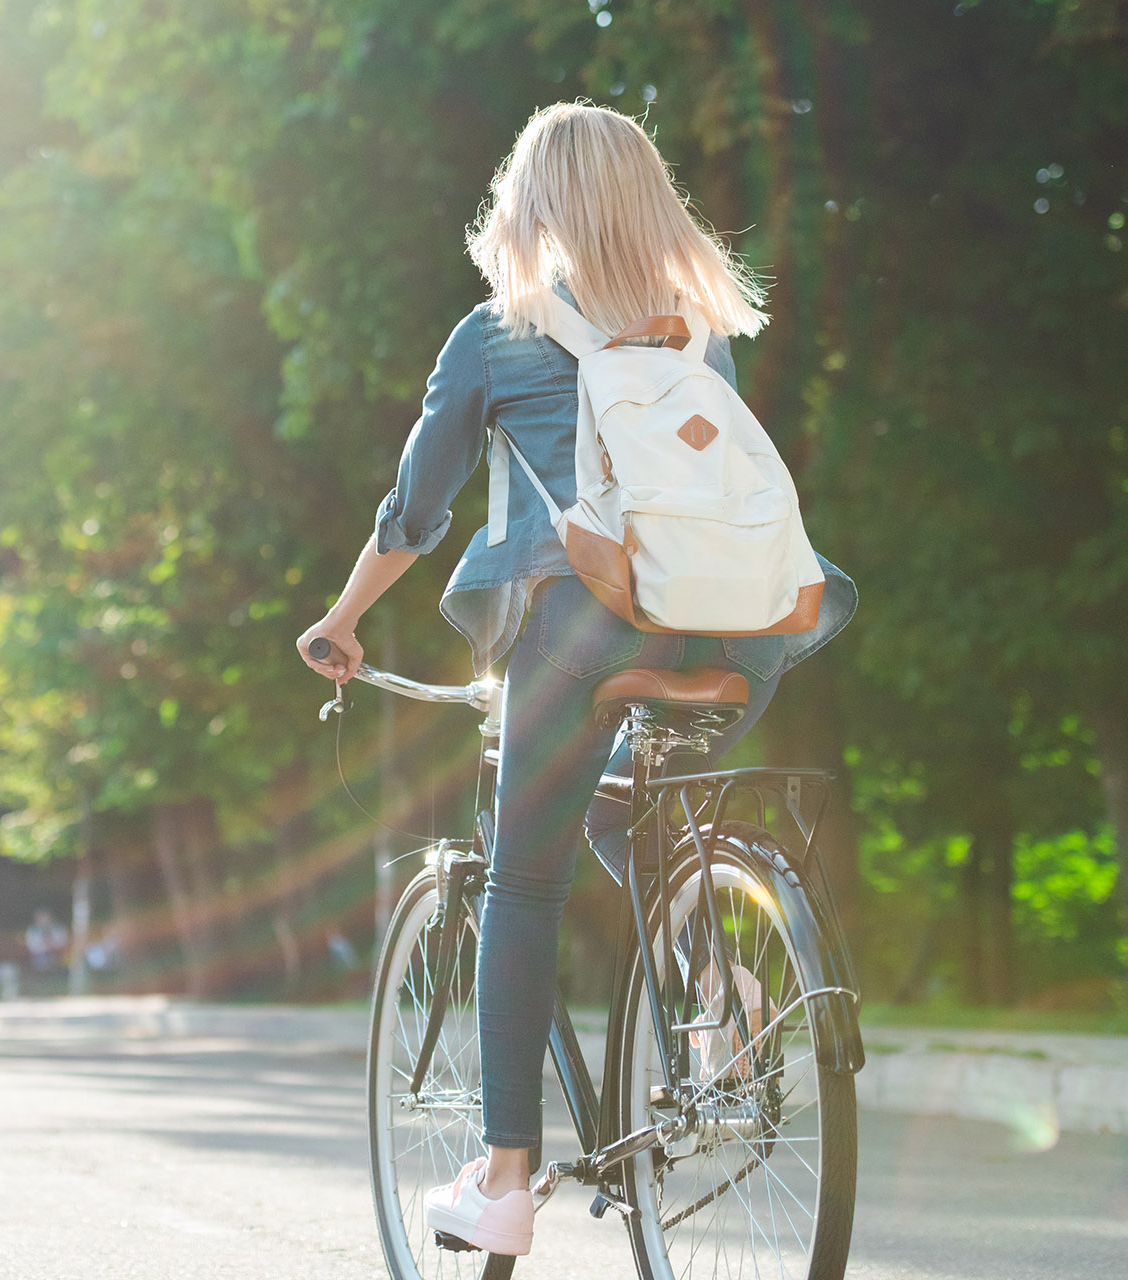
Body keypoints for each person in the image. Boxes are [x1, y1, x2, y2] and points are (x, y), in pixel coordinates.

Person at [296, 101, 855, 1257]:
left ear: (529, 204)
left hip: (585, 627)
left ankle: (505, 1179)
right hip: (741, 633)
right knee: (622, 796)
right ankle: (718, 977)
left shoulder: (496, 333)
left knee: (523, 879)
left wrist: (343, 619)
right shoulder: (702, 330)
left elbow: (416, 510)